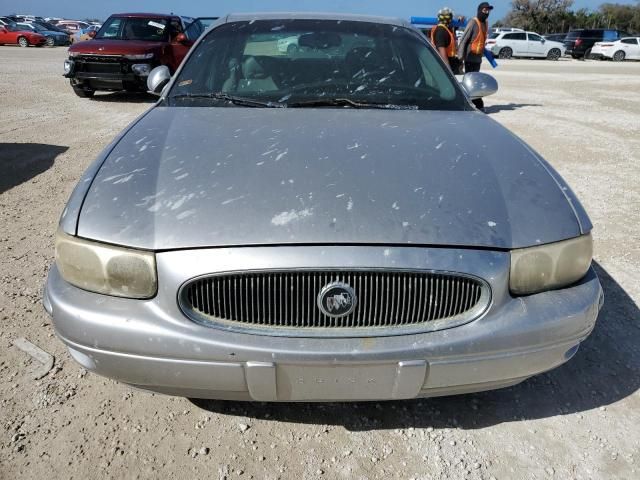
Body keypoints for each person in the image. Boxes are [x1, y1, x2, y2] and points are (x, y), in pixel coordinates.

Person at [457, 2, 493, 110]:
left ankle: (474, 103)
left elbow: (481, 40)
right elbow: (463, 40)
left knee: (475, 82)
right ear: (479, 10)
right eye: (484, 10)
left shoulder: (485, 23)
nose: (486, 13)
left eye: (488, 11)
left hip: (478, 58)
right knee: (471, 82)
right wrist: (460, 58)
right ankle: (476, 104)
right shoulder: (473, 22)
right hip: (469, 57)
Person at [430, 7, 461, 74]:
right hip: (443, 70)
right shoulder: (441, 32)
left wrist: (459, 19)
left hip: (445, 67)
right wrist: (449, 73)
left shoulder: (446, 29)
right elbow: (443, 55)